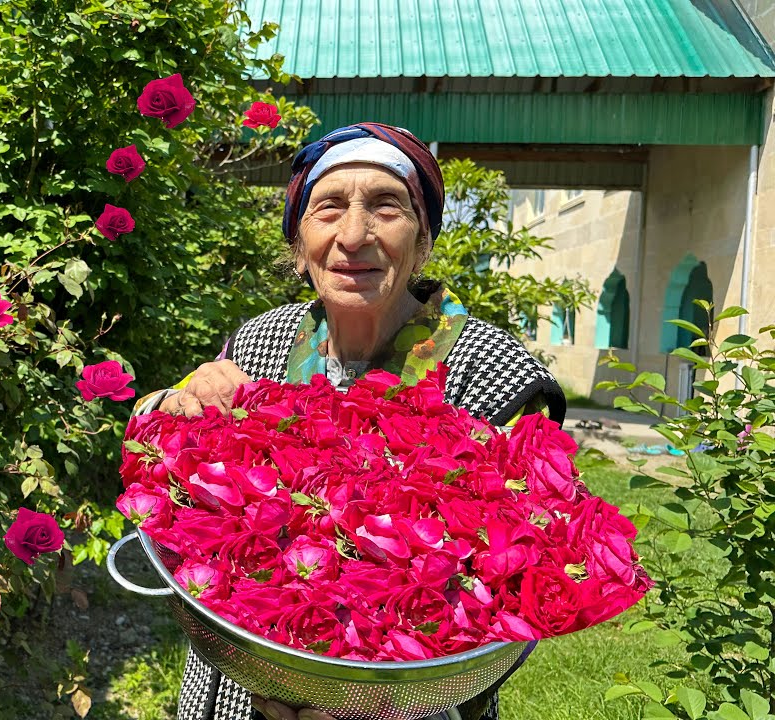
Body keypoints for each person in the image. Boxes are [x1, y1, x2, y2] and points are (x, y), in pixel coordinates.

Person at [128, 122, 567, 720]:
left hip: (411, 692)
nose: (354, 235)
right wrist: (168, 405)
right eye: (328, 208)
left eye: (386, 207)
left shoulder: (490, 370)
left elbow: (523, 585)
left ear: (423, 239)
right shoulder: (262, 341)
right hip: (244, 675)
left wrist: (387, 698)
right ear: (298, 243)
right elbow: (165, 465)